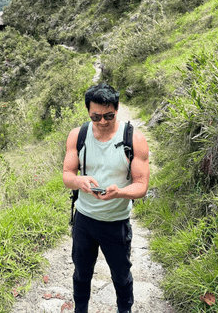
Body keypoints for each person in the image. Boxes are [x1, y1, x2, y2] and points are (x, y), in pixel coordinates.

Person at [62, 83, 150, 313]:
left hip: (116, 222)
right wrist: (79, 181)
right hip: (84, 220)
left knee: (121, 276)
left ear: (118, 108)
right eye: (96, 116)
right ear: (87, 111)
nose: (102, 121)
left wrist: (120, 192)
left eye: (109, 115)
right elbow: (67, 175)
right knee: (81, 274)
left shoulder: (134, 139)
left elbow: (141, 185)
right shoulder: (78, 135)